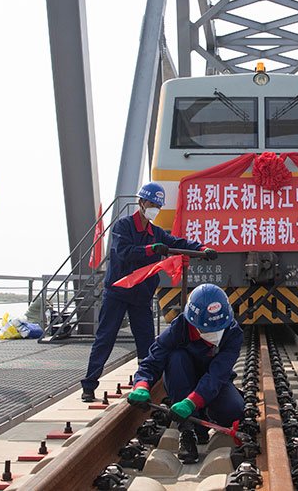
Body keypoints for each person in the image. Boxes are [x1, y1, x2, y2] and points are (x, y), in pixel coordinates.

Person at [81, 182, 218, 402]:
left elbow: (176, 242)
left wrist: (201, 248)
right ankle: (89, 385)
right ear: (141, 203)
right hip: (118, 293)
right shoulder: (123, 226)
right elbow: (123, 252)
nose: (155, 209)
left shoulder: (156, 232)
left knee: (146, 343)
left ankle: (146, 385)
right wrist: (149, 249)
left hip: (141, 295)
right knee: (105, 338)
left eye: (158, 206)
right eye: (152, 204)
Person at [126, 283, 244, 464]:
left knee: (232, 410)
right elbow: (154, 360)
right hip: (183, 379)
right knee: (176, 357)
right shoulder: (179, 328)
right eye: (206, 329)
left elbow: (216, 375)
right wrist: (141, 385)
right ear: (194, 322)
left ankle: (202, 418)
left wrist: (191, 402)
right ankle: (187, 431)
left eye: (217, 327)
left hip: (212, 384)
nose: (212, 332)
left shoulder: (233, 334)